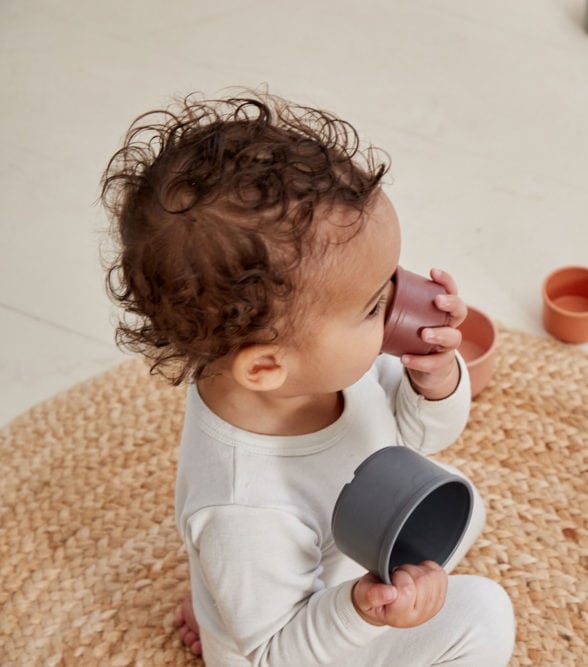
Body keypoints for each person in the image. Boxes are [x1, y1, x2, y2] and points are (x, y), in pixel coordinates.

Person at [101, 91, 515, 666]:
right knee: (484, 614)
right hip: (298, 644)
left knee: (460, 502)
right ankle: (232, 614)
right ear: (267, 366)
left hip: (346, 542)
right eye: (374, 306)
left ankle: (226, 601)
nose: (398, 304)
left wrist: (436, 378)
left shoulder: (309, 360)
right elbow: (280, 655)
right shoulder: (245, 509)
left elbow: (424, 437)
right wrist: (363, 608)